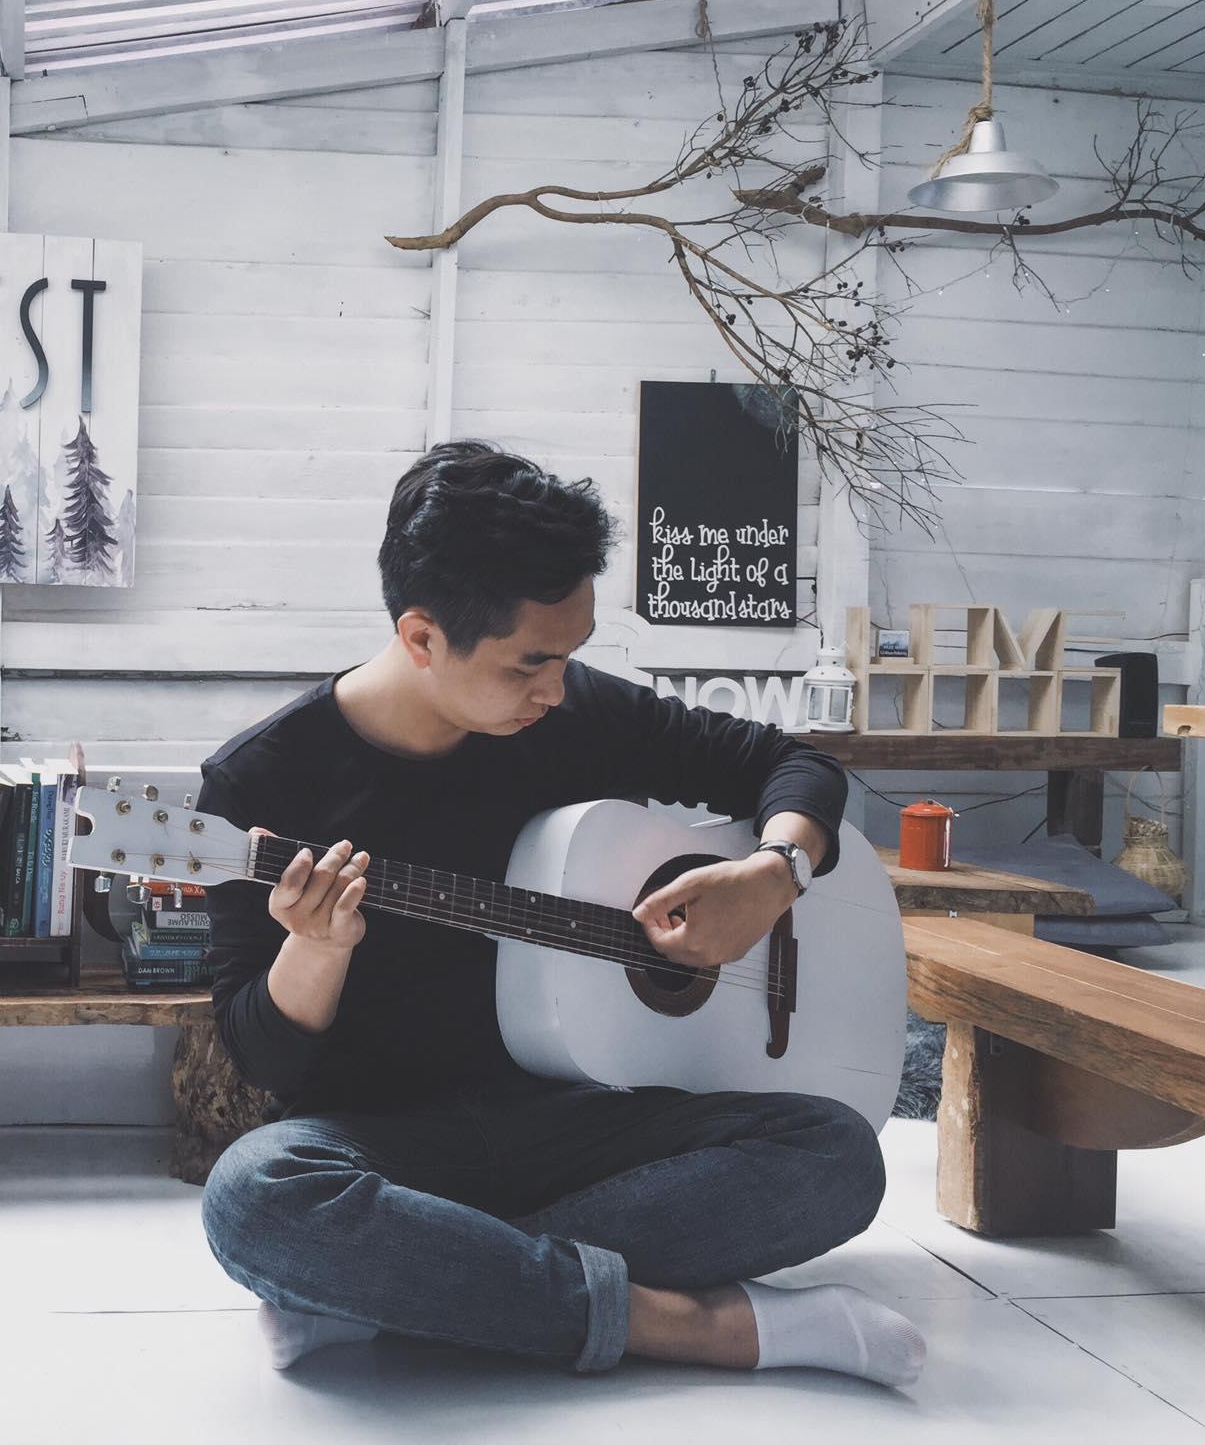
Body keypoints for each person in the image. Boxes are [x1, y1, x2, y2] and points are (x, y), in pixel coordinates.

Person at [196, 441, 924, 1387]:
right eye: (529, 664)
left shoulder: (571, 710)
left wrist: (772, 872)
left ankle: (394, 1290)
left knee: (836, 1156)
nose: (555, 688)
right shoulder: (257, 786)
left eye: (571, 656)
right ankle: (703, 1328)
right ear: (422, 637)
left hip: (585, 1123)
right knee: (255, 1197)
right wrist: (314, 951)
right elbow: (264, 1059)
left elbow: (794, 763)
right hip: (387, 1141)